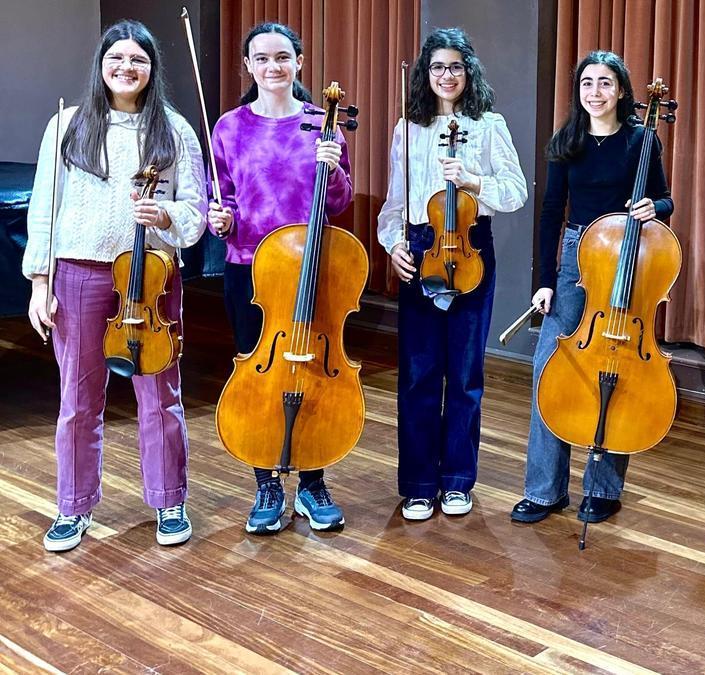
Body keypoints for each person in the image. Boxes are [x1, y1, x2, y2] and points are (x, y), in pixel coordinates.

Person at [24, 20, 205, 552]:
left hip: (151, 276)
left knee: (160, 396)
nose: (127, 68)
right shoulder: (67, 125)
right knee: (78, 399)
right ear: (101, 65)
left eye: (138, 60)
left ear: (152, 69)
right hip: (79, 273)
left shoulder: (173, 128)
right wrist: (40, 282)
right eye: (116, 59)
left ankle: (169, 498)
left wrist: (165, 214)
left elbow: (193, 213)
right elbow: (44, 210)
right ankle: (73, 507)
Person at [509, 51, 673, 525]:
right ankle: (544, 490)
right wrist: (543, 283)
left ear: (621, 90)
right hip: (577, 255)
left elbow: (666, 198)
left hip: (626, 254)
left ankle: (604, 488)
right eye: (587, 84)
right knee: (549, 372)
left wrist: (653, 208)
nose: (595, 92)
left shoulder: (642, 140)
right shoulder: (568, 141)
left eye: (605, 83)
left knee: (617, 370)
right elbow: (549, 213)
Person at [208, 22, 353, 534]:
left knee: (314, 372)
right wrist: (217, 218)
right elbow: (220, 196)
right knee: (259, 377)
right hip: (248, 267)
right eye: (262, 58)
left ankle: (313, 481)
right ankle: (266, 481)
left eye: (283, 57)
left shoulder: (322, 123)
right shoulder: (228, 126)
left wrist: (333, 170)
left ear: (299, 62)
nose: (273, 67)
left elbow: (338, 203)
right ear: (248, 66)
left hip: (310, 270)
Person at [378, 27, 528, 521]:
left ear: (469, 72)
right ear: (426, 73)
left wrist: (471, 179)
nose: (447, 76)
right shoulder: (408, 127)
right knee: (420, 372)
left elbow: (514, 192)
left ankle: (458, 479)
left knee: (465, 373)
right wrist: (395, 243)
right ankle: (420, 483)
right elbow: (395, 205)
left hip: (470, 246)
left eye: (456, 67)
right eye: (438, 67)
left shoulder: (488, 124)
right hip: (421, 245)